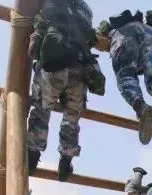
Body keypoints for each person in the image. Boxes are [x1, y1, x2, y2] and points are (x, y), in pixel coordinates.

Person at [26, 0, 104, 182]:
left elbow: (41, 21)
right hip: (78, 70)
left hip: (52, 66)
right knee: (72, 118)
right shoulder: (86, 10)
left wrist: (35, 50)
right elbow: (91, 38)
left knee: (41, 111)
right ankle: (66, 161)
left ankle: (32, 156)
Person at [96, 10, 152, 145]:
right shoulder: (145, 24)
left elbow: (96, 38)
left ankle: (142, 109)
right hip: (151, 35)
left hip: (125, 36)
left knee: (125, 76)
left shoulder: (111, 28)